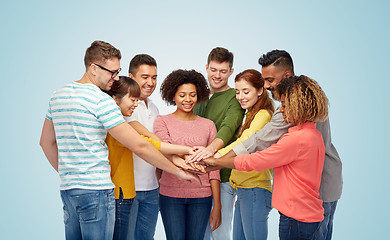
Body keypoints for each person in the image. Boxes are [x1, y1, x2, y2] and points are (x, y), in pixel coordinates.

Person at [39, 41, 198, 240]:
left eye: (118, 72)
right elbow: (139, 145)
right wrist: (177, 172)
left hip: (69, 190)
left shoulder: (57, 96)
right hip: (97, 190)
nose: (115, 79)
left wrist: (71, 175)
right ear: (93, 68)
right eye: (112, 73)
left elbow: (46, 142)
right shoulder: (101, 100)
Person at [209, 50, 343, 240]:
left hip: (312, 195)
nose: (266, 85)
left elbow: (259, 143)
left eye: (270, 79)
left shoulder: (294, 108)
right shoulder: (309, 95)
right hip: (324, 187)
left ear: (287, 76)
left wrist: (218, 161)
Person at [104, 76, 203, 240]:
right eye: (133, 99)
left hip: (128, 192)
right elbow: (147, 145)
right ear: (115, 99)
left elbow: (153, 140)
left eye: (137, 100)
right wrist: (185, 152)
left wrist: (179, 156)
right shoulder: (116, 129)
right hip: (120, 194)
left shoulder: (128, 122)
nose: (136, 104)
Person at [154, 69, 221, 240]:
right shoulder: (162, 121)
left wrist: (218, 204)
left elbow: (214, 168)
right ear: (173, 96)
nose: (188, 99)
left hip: (202, 197)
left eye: (192, 94)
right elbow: (165, 150)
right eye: (182, 95)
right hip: (170, 196)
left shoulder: (208, 125)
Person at [192, 47, 245, 240]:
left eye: (223, 71)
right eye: (213, 70)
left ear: (231, 72)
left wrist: (208, 151)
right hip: (196, 177)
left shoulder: (234, 98)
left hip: (222, 178)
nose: (217, 75)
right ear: (206, 68)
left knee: (220, 233)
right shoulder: (198, 95)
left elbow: (228, 127)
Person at [216, 69, 275, 239]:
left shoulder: (263, 115)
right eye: (237, 91)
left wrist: (216, 156)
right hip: (245, 191)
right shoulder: (250, 115)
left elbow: (246, 142)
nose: (240, 96)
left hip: (255, 190)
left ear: (260, 90)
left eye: (246, 91)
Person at [126, 54, 161, 240]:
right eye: (145, 77)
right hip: (129, 191)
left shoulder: (154, 108)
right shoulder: (125, 106)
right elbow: (146, 144)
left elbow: (157, 148)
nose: (150, 82)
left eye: (154, 77)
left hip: (152, 190)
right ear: (131, 77)